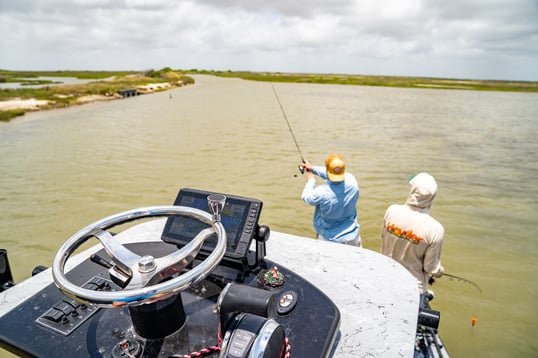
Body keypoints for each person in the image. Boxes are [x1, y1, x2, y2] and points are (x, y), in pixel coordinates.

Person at [381, 173, 444, 293]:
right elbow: (430, 267)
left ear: (412, 190)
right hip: (413, 287)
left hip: (385, 275)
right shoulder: (435, 229)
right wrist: (439, 271)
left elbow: (384, 238)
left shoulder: (391, 210)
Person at [300, 153, 361, 246]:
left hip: (329, 240)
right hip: (352, 237)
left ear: (327, 169)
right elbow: (332, 173)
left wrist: (311, 180)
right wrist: (312, 168)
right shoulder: (352, 181)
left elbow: (307, 197)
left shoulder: (322, 192)